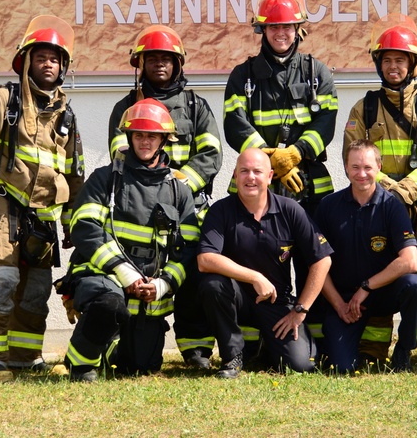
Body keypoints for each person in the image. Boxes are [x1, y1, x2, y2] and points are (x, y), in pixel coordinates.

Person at [0, 15, 85, 381]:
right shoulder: (2, 100)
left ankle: (24, 357)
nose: (48, 64)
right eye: (40, 57)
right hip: (1, 208)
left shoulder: (66, 115)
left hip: (43, 217)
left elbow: (74, 175)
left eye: (55, 59)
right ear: (26, 61)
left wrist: (73, 223)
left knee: (36, 291)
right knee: (3, 282)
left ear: (63, 67)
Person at [222, 0, 338, 344]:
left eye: (287, 27)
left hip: (309, 183)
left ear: (299, 29)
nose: (281, 33)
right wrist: (272, 160)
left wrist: (296, 155)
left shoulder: (318, 73)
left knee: (310, 259)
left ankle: (312, 337)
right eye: (274, 27)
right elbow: (234, 123)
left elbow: (327, 123)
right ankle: (257, 341)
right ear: (262, 30)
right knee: (254, 258)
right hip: (259, 183)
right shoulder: (243, 76)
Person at [107, 25, 222, 369]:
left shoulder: (195, 106)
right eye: (152, 58)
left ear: (178, 63)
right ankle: (127, 340)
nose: (160, 64)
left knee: (191, 275)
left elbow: (212, 154)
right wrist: (155, 190)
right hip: (139, 215)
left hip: (187, 210)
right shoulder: (126, 107)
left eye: (166, 58)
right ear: (140, 63)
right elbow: (121, 154)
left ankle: (196, 350)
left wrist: (180, 185)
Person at [63, 98, 198, 382]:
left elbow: (188, 250)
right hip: (105, 275)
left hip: (150, 288)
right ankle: (82, 363)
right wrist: (124, 273)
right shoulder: (105, 179)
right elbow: (84, 227)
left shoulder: (179, 191)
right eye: (139, 135)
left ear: (163, 140)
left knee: (140, 366)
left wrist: (163, 284)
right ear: (129, 137)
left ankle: (109, 348)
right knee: (108, 305)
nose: (145, 142)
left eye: (152, 136)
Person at [340, 17, 417, 364]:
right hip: (379, 206)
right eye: (386, 60)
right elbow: (353, 155)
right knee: (378, 270)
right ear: (378, 63)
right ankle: (373, 348)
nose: (393, 66)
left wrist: (404, 192)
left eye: (400, 60)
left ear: (414, 63)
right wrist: (389, 191)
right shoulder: (364, 108)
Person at [197, 148, 333, 378]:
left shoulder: (290, 209)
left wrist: (300, 310)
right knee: (212, 285)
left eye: (257, 171)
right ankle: (232, 357)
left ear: (270, 177)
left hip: (275, 301)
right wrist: (255, 277)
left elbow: (322, 259)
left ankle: (266, 348)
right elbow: (205, 259)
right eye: (244, 171)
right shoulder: (221, 210)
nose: (250, 177)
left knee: (301, 366)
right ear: (235, 176)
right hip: (236, 297)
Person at [315, 140, 417, 373]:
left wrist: (366, 287)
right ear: (346, 167)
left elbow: (410, 260)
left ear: (378, 167)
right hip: (345, 300)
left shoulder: (392, 206)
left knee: (415, 285)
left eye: (367, 167)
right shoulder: (328, 206)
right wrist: (338, 304)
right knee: (341, 368)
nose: (361, 174)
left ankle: (404, 349)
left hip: (381, 293)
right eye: (355, 167)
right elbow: (317, 263)